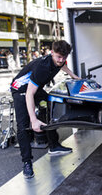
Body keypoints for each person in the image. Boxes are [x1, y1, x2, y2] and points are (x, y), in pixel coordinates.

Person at [10, 40, 81, 179]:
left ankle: (53, 145)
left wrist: (75, 77)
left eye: (64, 57)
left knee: (50, 107)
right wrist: (34, 120)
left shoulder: (60, 60)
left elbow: (63, 66)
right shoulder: (43, 67)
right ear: (52, 53)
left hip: (34, 89)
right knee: (23, 126)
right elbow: (29, 93)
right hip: (21, 90)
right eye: (58, 57)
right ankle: (27, 162)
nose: (61, 60)